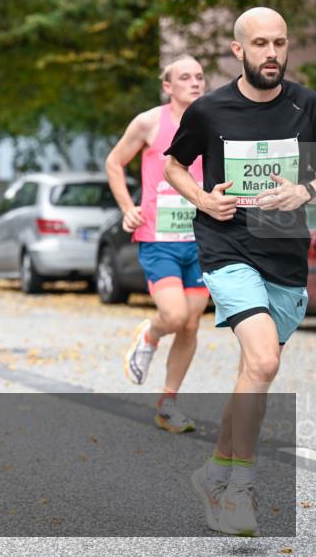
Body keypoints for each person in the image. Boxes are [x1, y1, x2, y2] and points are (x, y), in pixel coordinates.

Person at [165, 7, 316, 537]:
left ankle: (215, 473)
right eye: (260, 44)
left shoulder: (307, 105)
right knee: (264, 360)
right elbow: (173, 165)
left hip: (286, 256)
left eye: (279, 43)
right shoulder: (209, 111)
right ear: (238, 50)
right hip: (228, 248)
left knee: (254, 371)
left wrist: (307, 190)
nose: (272, 53)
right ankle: (239, 493)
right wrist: (203, 199)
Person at [105, 55, 209, 433]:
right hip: (158, 238)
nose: (195, 83)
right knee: (175, 315)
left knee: (191, 324)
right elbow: (114, 162)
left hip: (201, 238)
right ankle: (149, 334)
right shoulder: (150, 122)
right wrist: (127, 207)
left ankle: (168, 404)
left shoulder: (214, 120)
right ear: (168, 86)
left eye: (199, 76)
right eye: (185, 77)